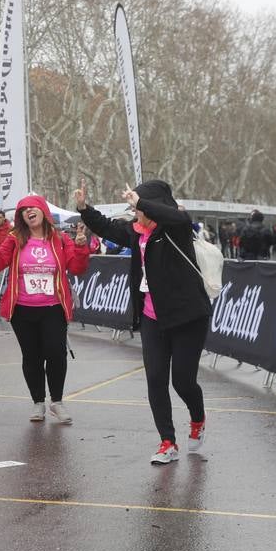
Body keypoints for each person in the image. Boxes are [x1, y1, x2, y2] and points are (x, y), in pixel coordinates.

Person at [76, 180, 211, 465]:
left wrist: (142, 202)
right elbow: (106, 227)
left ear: (153, 206)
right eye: (134, 208)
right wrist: (84, 208)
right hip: (152, 318)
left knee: (183, 383)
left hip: (188, 317)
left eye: (138, 208)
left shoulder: (176, 227)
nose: (134, 213)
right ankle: (167, 442)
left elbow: (178, 217)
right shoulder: (135, 232)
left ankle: (197, 419)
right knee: (156, 380)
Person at [0, 194, 91, 423]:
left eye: (32, 207)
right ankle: (38, 402)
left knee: (56, 353)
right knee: (32, 356)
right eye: (23, 210)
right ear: (21, 217)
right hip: (22, 309)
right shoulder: (14, 239)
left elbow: (77, 268)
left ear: (43, 211)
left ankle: (56, 402)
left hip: (53, 307)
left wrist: (80, 247)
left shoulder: (60, 239)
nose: (28, 212)